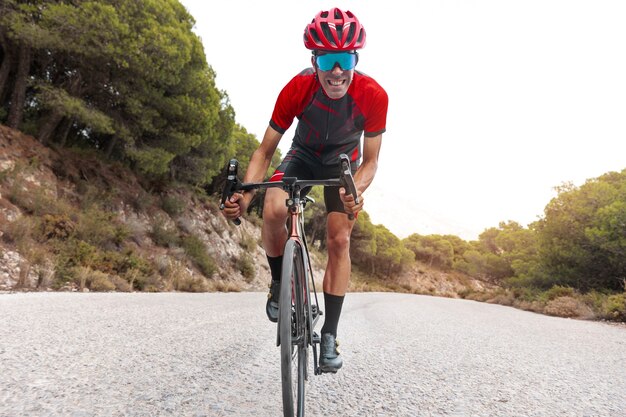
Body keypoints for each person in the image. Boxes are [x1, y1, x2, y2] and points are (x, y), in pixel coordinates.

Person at [222, 7, 388, 373]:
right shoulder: (297, 88)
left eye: (345, 59)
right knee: (273, 210)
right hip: (303, 156)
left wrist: (355, 190)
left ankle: (329, 334)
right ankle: (280, 282)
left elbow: (371, 161)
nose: (337, 71)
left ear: (355, 59)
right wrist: (245, 196)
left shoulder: (374, 95)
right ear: (314, 61)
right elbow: (265, 151)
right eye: (328, 60)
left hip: (343, 164)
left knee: (339, 240)